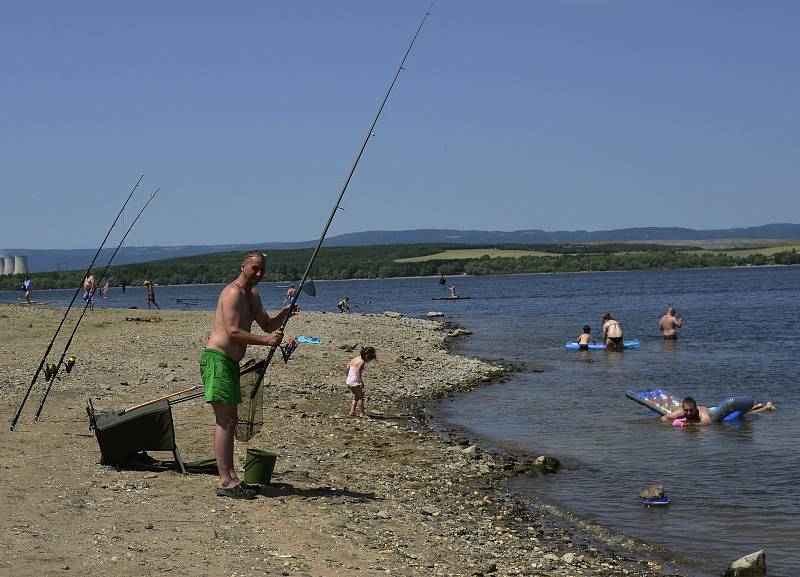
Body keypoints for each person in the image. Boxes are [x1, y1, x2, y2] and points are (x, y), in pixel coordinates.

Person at [201, 251, 296, 499]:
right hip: (217, 360)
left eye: (262, 269)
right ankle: (226, 481)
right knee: (225, 420)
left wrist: (284, 314)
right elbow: (232, 332)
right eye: (254, 268)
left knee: (230, 419)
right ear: (243, 266)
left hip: (231, 363)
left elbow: (266, 324)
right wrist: (266, 342)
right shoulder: (232, 293)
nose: (259, 273)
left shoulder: (252, 295)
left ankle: (232, 478)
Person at [346, 346, 377, 418]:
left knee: (356, 395)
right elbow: (357, 371)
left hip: (349, 380)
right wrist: (360, 381)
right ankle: (362, 413)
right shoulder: (362, 361)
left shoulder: (355, 359)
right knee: (361, 397)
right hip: (355, 381)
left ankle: (352, 411)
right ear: (367, 357)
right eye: (369, 360)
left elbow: (347, 367)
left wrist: (348, 376)